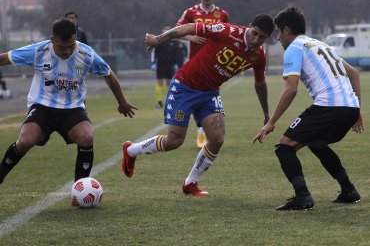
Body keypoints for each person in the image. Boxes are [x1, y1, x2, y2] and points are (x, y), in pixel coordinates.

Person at [122, 14, 274, 196]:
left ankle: (191, 182)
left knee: (217, 139)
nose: (256, 40)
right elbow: (190, 27)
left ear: (267, 38)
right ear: (250, 26)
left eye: (262, 38)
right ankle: (131, 150)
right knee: (174, 142)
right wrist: (158, 39)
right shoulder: (227, 31)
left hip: (209, 94)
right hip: (184, 87)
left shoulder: (259, 56)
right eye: (254, 33)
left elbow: (260, 83)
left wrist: (266, 114)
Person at [0, 18, 137, 199]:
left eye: (70, 46)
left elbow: (108, 74)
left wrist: (122, 102)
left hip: (72, 109)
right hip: (43, 106)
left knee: (87, 137)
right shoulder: (38, 50)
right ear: (52, 40)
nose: (66, 51)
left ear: (76, 38)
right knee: (25, 141)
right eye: (61, 47)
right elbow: (4, 58)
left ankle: (79, 192)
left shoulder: (86, 54)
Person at [253, 7, 364, 210]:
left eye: (278, 32)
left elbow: (291, 90)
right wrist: (358, 112)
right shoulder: (321, 45)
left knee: (284, 148)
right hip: (349, 108)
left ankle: (302, 196)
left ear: (287, 30)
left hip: (329, 106)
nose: (277, 38)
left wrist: (271, 122)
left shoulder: (295, 47)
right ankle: (348, 190)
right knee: (316, 143)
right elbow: (354, 73)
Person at [177, 0, 229, 148]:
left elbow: (227, 35)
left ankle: (204, 131)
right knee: (193, 96)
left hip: (214, 65)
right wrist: (190, 36)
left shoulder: (222, 14)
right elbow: (177, 29)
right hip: (194, 64)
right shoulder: (191, 12)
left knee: (210, 96)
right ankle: (201, 130)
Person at [151, 25, 178, 108]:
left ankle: (168, 101)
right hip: (160, 65)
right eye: (165, 29)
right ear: (162, 30)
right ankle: (159, 101)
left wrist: (176, 63)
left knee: (169, 83)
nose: (167, 30)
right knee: (160, 83)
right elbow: (153, 52)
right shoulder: (159, 40)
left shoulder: (173, 41)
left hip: (171, 65)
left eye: (169, 29)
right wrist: (153, 62)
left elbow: (175, 54)